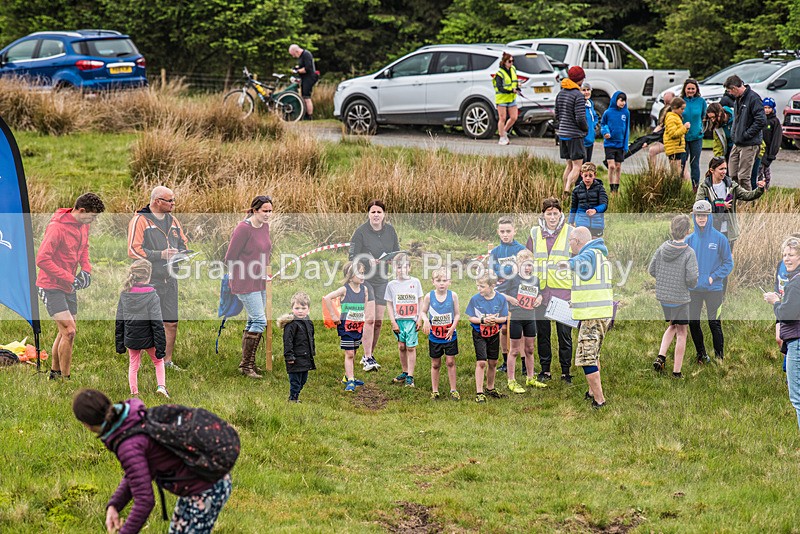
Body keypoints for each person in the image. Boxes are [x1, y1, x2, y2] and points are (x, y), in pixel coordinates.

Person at [72, 389, 232, 534]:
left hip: (207, 488)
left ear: (86, 424)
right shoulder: (129, 418)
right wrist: (115, 505)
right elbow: (136, 473)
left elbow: (144, 501)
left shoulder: (128, 444)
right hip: (202, 480)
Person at [36, 192, 105, 381]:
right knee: (69, 331)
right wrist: (69, 277)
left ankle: (55, 374)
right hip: (50, 285)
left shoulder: (83, 225)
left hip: (68, 285)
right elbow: (42, 259)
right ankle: (66, 380)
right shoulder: (57, 228)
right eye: (91, 216)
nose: (92, 221)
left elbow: (84, 248)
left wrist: (87, 270)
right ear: (81, 210)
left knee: (65, 331)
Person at [128, 186, 188, 371]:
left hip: (170, 278)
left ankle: (166, 361)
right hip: (148, 279)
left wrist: (183, 253)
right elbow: (133, 250)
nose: (173, 204)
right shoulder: (140, 220)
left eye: (173, 200)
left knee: (171, 322)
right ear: (157, 201)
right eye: (170, 201)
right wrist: (160, 254)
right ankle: (138, 361)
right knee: (145, 322)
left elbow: (183, 242)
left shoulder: (173, 220)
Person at [223, 195, 273, 379]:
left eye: (270, 211)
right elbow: (230, 257)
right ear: (254, 210)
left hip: (260, 280)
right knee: (260, 320)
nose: (268, 214)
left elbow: (265, 252)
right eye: (264, 211)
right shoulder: (243, 229)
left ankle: (247, 363)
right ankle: (246, 366)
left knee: (253, 319)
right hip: (244, 281)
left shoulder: (265, 227)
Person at [527, 197, 575, 383]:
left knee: (564, 335)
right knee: (543, 334)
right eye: (549, 213)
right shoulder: (534, 232)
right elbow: (528, 262)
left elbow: (578, 261)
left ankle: (565, 372)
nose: (553, 217)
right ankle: (545, 370)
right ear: (543, 214)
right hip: (541, 294)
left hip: (563, 293)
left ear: (560, 214)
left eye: (556, 213)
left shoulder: (570, 232)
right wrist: (533, 291)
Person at [349, 199, 399, 372]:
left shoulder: (390, 231)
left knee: (378, 321)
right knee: (369, 319)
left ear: (384, 214)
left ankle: (368, 354)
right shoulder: (360, 232)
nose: (376, 215)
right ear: (368, 214)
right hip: (366, 279)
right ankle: (368, 357)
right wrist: (366, 259)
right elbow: (352, 257)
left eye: (379, 212)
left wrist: (393, 260)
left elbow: (396, 252)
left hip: (382, 279)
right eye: (373, 212)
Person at [567, 226, 613, 409]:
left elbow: (578, 262)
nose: (569, 245)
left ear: (577, 241)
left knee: (587, 358)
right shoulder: (599, 255)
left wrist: (561, 264)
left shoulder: (589, 254)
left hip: (593, 317)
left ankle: (599, 400)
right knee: (594, 355)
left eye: (570, 241)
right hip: (598, 313)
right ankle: (591, 392)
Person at [649, 215, 699, 378]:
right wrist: (692, 285)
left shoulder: (662, 247)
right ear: (687, 231)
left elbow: (652, 269)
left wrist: (664, 280)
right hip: (680, 299)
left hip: (664, 298)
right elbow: (691, 279)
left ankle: (661, 357)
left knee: (672, 325)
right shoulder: (688, 252)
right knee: (682, 332)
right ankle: (677, 372)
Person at [686, 200, 733, 363]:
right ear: (694, 216)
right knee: (693, 322)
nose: (701, 218)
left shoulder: (720, 239)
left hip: (714, 289)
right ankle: (701, 354)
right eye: (698, 215)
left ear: (709, 216)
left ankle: (719, 357)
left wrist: (713, 277)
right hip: (694, 290)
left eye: (705, 215)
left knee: (714, 323)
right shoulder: (689, 240)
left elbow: (728, 263)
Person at [115, 259, 168, 398]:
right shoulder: (152, 295)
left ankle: (134, 392)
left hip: (131, 337)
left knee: (133, 365)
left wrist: (119, 344)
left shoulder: (124, 294)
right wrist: (161, 347)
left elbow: (119, 320)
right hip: (149, 338)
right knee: (158, 361)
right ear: (148, 275)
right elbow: (157, 323)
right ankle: (161, 387)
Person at [497, 249, 546, 393]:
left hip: (530, 317)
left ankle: (530, 378)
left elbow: (540, 293)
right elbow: (499, 292)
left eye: (530, 265)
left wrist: (539, 298)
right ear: (518, 265)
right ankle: (511, 380)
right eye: (524, 264)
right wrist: (511, 299)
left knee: (530, 349)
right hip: (516, 317)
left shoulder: (535, 279)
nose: (527, 268)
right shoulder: (512, 279)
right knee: (514, 350)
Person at [764, 236, 800, 430]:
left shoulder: (795, 284)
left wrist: (776, 302)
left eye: (791, 255)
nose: (787, 258)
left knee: (797, 398)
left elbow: (787, 314)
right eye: (785, 254)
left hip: (797, 341)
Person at [695, 157, 765, 248]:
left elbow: (748, 196)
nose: (724, 171)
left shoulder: (732, 185)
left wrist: (760, 189)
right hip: (711, 230)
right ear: (712, 170)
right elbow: (699, 206)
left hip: (728, 231)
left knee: (728, 259)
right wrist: (720, 205)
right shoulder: (704, 187)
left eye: (725, 169)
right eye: (721, 169)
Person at [323, 262, 370, 393]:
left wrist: (363, 317)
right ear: (350, 276)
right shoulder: (344, 289)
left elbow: (364, 306)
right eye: (359, 273)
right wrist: (333, 315)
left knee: (354, 351)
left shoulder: (364, 289)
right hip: (346, 326)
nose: (362, 275)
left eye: (363, 272)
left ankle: (348, 376)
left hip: (357, 326)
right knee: (349, 353)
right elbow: (327, 298)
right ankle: (350, 380)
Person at [488, 216, 526, 372]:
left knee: (520, 330)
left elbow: (522, 269)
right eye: (502, 231)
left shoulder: (520, 249)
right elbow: (492, 271)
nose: (505, 234)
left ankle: (524, 364)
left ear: (514, 231)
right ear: (498, 232)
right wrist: (509, 270)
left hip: (517, 293)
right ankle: (505, 361)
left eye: (508, 231)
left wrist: (502, 272)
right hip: (501, 294)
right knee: (503, 328)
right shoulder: (495, 251)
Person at [466, 273, 509, 403]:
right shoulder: (475, 299)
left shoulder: (501, 299)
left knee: (493, 362)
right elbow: (470, 317)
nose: (479, 289)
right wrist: (482, 320)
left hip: (494, 333)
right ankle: (479, 392)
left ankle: (490, 388)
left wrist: (495, 320)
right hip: (479, 334)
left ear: (492, 286)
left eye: (482, 286)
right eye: (478, 286)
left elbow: (504, 318)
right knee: (481, 362)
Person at [420, 267, 460, 400]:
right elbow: (423, 311)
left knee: (450, 361)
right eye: (438, 280)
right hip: (435, 336)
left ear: (450, 282)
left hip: (449, 335)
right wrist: (425, 320)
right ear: (433, 282)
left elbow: (458, 314)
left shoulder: (453, 296)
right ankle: (435, 390)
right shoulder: (429, 296)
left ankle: (453, 389)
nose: (441, 283)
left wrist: (453, 327)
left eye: (444, 280)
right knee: (435, 363)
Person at [385, 253, 424, 388]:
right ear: (394, 268)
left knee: (411, 347)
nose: (402, 270)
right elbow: (389, 304)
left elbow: (420, 300)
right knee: (402, 346)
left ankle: (410, 376)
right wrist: (392, 321)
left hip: (411, 321)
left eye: (404, 267)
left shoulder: (415, 282)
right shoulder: (391, 285)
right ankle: (405, 371)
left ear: (410, 267)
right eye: (398, 267)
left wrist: (419, 318)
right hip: (399, 321)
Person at [724, 74, 766, 191]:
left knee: (743, 177)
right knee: (732, 175)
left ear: (734, 88)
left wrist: (746, 135)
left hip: (749, 144)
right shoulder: (737, 100)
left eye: (729, 91)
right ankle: (735, 202)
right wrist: (735, 135)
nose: (730, 94)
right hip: (737, 143)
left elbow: (761, 120)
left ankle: (747, 204)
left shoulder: (754, 98)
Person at [555, 66, 589, 193]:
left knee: (568, 165)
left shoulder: (561, 93)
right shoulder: (578, 96)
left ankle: (564, 188)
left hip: (563, 134)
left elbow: (557, 115)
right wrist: (586, 129)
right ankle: (568, 189)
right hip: (575, 135)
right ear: (580, 79)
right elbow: (580, 118)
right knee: (577, 166)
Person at [277, 292, 316, 403]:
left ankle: (296, 396)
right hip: (294, 358)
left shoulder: (308, 322)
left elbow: (311, 337)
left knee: (303, 379)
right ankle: (293, 399)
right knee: (295, 380)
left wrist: (312, 351)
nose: (300, 311)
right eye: (297, 308)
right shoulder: (291, 325)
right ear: (292, 308)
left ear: (308, 309)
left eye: (303, 308)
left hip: (305, 357)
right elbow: (287, 341)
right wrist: (289, 356)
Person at [626, 91, 674, 166]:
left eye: (669, 103)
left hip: (674, 141)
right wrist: (649, 140)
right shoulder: (663, 110)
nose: (666, 105)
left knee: (676, 164)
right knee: (652, 150)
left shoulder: (676, 111)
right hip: (665, 138)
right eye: (665, 103)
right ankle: (654, 174)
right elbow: (659, 126)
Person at [600, 91, 630, 193]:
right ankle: (611, 185)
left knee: (618, 166)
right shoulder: (607, 113)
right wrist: (605, 132)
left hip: (620, 145)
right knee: (611, 166)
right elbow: (603, 124)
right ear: (615, 100)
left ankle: (615, 189)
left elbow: (627, 130)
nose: (623, 103)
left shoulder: (626, 113)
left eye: (624, 101)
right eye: (621, 100)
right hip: (609, 144)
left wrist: (625, 145)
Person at [681, 79, 707, 190]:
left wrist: (701, 129)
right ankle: (678, 187)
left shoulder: (701, 101)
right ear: (685, 90)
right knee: (681, 163)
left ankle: (695, 188)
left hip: (696, 137)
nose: (690, 91)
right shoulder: (681, 101)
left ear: (696, 89)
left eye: (693, 88)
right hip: (682, 137)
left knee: (694, 163)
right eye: (688, 89)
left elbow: (704, 117)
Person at [569, 162, 608, 238]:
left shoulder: (600, 189)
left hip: (596, 223)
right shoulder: (576, 190)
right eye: (585, 175)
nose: (587, 178)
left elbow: (604, 205)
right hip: (581, 223)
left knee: (594, 244)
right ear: (581, 174)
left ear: (595, 175)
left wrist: (595, 210)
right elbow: (573, 207)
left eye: (590, 176)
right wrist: (571, 222)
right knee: (582, 243)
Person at [494, 52, 520, 146]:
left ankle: (503, 132)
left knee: (514, 117)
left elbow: (514, 81)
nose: (511, 63)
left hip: (511, 98)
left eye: (513, 61)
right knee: (502, 118)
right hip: (502, 98)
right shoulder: (499, 73)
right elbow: (500, 87)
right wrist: (510, 90)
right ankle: (501, 138)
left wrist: (517, 87)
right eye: (509, 61)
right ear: (504, 62)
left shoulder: (513, 69)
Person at [288, 44, 318, 120]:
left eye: (293, 54)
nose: (293, 56)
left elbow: (307, 68)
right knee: (304, 97)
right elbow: (302, 66)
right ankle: (305, 114)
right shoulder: (301, 56)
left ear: (297, 51)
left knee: (306, 97)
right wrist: (296, 68)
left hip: (310, 77)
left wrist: (297, 71)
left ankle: (310, 116)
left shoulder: (306, 54)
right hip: (305, 78)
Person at [759, 97, 782, 190]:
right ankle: (759, 189)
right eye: (765, 108)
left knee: (766, 173)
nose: (767, 110)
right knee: (759, 172)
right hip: (759, 151)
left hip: (768, 151)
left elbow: (776, 139)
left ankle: (766, 189)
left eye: (769, 108)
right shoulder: (760, 119)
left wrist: (772, 154)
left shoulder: (774, 122)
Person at [663, 96, 690, 176]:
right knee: (676, 172)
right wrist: (684, 128)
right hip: (674, 148)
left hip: (677, 147)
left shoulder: (676, 117)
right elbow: (673, 134)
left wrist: (685, 129)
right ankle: (675, 187)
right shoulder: (671, 118)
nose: (683, 111)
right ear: (675, 107)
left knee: (678, 170)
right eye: (681, 109)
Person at [581, 82, 599, 162]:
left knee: (588, 165)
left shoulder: (590, 103)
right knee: (582, 166)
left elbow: (594, 116)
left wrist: (593, 126)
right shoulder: (580, 104)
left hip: (590, 139)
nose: (586, 92)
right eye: (584, 90)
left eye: (588, 90)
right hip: (582, 141)